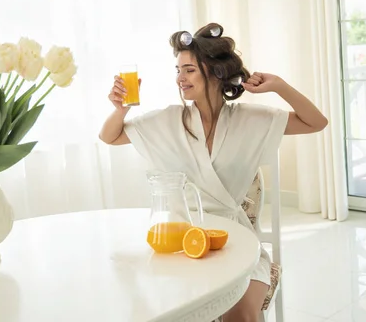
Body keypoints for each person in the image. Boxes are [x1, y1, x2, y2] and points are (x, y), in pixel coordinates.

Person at [99, 23, 327, 322]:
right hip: (181, 244)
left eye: (189, 69)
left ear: (216, 72)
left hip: (236, 243)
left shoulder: (251, 120)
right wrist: (121, 108)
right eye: (178, 70)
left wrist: (280, 85)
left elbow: (316, 122)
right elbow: (110, 137)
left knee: (242, 317)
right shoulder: (168, 120)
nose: (180, 78)